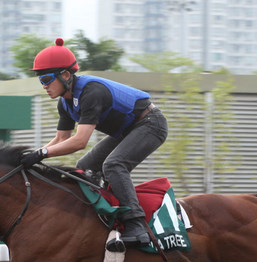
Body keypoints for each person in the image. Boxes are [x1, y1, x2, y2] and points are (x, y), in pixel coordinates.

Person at [21, 38, 168, 247]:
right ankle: (105, 214)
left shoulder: (91, 93)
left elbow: (79, 141)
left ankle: (136, 226)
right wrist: (32, 155)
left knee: (114, 165)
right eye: (40, 81)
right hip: (127, 130)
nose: (44, 86)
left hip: (151, 124)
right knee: (85, 167)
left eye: (45, 79)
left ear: (65, 75)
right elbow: (61, 139)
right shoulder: (65, 103)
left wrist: (40, 154)